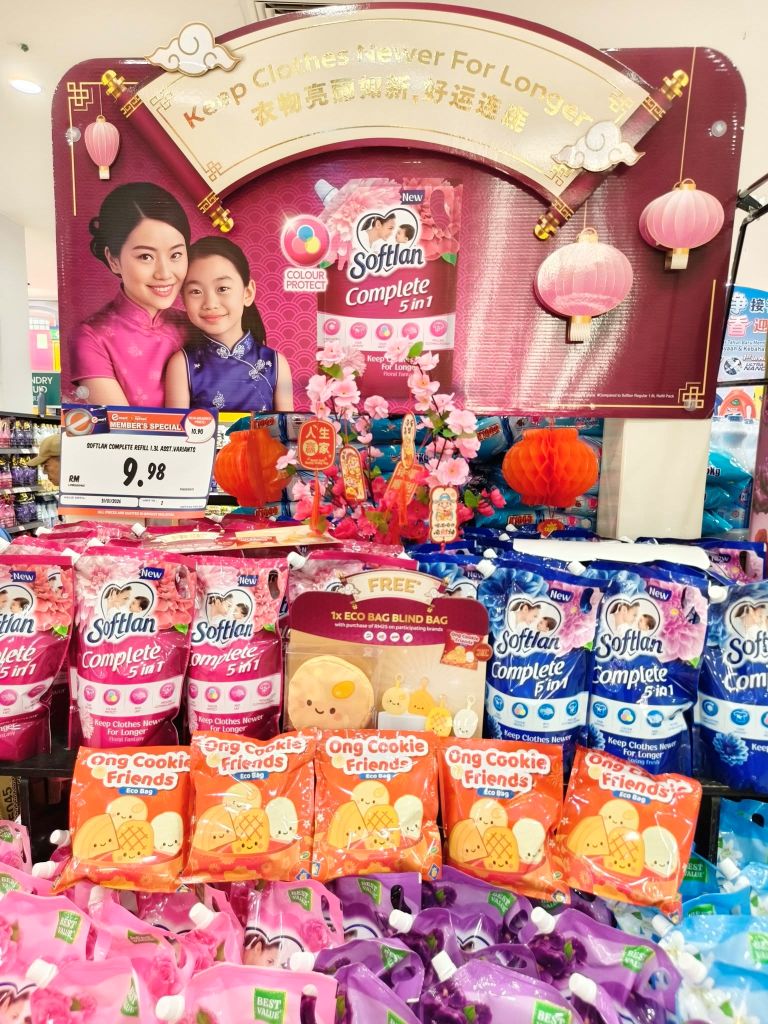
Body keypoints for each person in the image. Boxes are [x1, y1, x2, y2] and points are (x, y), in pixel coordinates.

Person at [67, 183, 191, 407]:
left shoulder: (193, 326)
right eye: (145, 257)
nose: (165, 273)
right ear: (113, 259)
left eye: (175, 255)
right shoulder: (91, 337)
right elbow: (120, 426)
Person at [165, 236, 293, 412]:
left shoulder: (277, 364)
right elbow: (176, 429)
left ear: (248, 293)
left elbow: (287, 427)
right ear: (183, 298)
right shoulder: (182, 365)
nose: (210, 303)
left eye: (222, 289)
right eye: (196, 291)